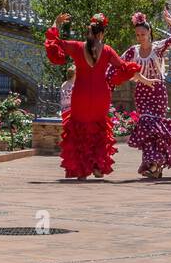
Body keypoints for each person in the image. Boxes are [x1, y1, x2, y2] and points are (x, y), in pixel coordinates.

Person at [44, 12, 154, 180]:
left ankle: (81, 170)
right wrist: (143, 79)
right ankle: (97, 167)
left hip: (80, 95)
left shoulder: (77, 47)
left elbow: (54, 43)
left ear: (89, 32)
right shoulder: (107, 50)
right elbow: (125, 67)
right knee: (99, 131)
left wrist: (56, 23)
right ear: (102, 33)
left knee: (79, 130)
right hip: (100, 96)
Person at [111, 9, 171, 179]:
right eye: (137, 34)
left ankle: (154, 165)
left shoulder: (158, 48)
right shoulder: (132, 52)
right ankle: (154, 165)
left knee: (153, 127)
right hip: (142, 92)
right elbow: (119, 66)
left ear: (149, 32)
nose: (140, 37)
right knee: (147, 127)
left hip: (157, 92)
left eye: (143, 33)